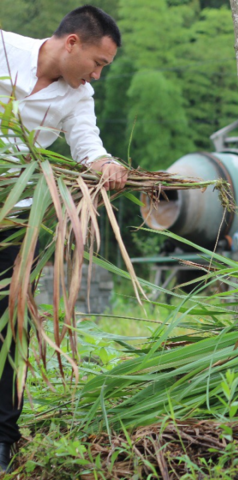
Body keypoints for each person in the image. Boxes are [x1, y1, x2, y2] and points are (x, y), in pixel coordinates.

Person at [0, 5, 128, 472]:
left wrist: (109, 166)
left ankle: (3, 440)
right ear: (71, 42)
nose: (97, 75)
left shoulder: (78, 97)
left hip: (15, 224)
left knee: (11, 327)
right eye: (98, 63)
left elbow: (89, 149)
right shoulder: (2, 48)